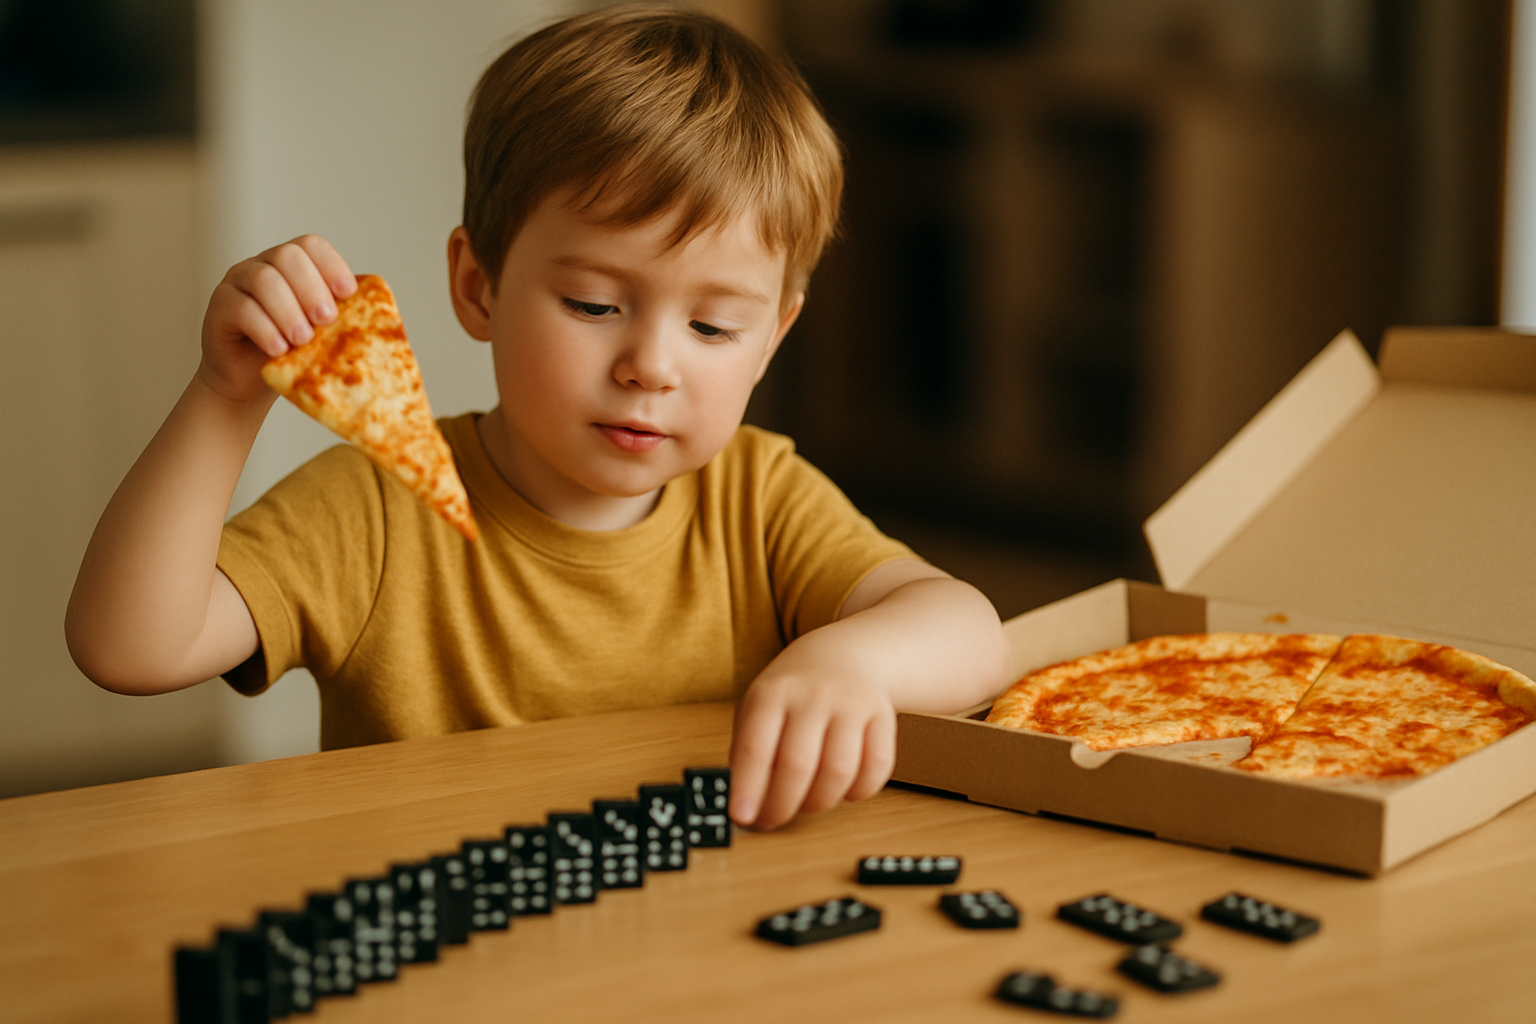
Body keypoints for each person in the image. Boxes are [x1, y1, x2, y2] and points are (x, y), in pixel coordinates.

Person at [65, 5, 1008, 830]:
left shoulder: (758, 502)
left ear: (772, 340)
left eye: (714, 327)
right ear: (479, 287)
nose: (650, 366)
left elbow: (969, 630)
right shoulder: (377, 511)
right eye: (595, 305)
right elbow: (129, 647)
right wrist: (226, 396)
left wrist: (848, 666)